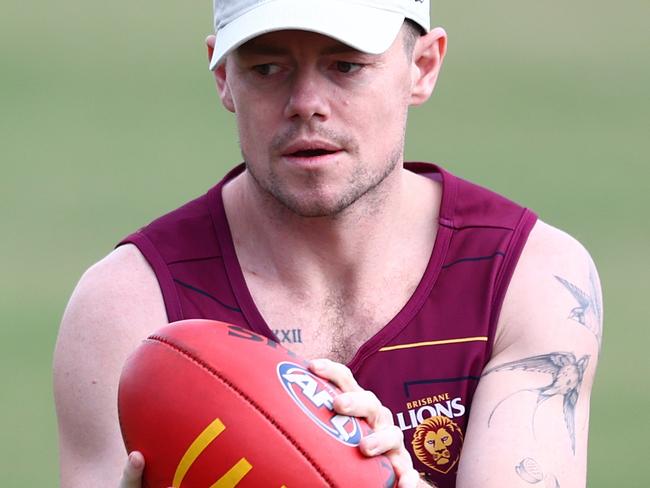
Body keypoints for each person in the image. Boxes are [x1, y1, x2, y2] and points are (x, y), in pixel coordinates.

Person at [53, 0, 603, 487]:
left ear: (423, 67)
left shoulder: (528, 278)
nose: (306, 102)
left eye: (346, 65)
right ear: (223, 75)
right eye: (267, 67)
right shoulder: (130, 307)